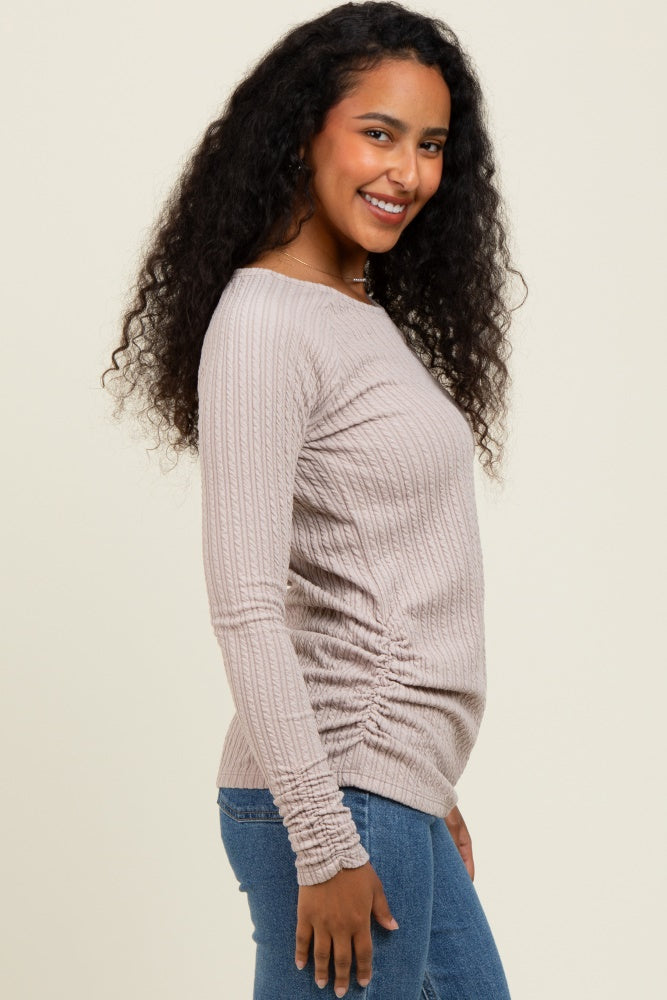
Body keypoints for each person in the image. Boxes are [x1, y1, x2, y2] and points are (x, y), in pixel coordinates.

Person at [101, 2, 527, 996]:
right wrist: (327, 837)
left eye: (430, 146)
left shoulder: (356, 310)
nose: (407, 172)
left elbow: (375, 569)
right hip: (334, 795)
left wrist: (422, 781)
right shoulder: (264, 320)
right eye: (378, 133)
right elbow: (246, 605)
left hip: (386, 786)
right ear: (303, 132)